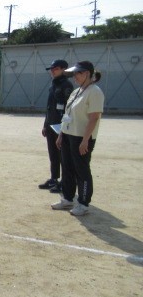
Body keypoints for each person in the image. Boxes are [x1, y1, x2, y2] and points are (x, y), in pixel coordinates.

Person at [51, 61, 104, 216]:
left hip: (81, 137)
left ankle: (83, 202)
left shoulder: (94, 92)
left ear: (87, 73)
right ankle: (67, 198)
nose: (74, 77)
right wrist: (61, 134)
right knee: (67, 168)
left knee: (81, 170)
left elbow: (94, 118)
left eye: (77, 73)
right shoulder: (77, 91)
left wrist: (85, 140)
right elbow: (68, 115)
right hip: (68, 135)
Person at [39, 60, 75, 193]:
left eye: (56, 68)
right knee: (53, 154)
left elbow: (68, 109)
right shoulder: (53, 85)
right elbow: (49, 108)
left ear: (64, 69)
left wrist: (64, 128)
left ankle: (64, 182)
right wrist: (45, 124)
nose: (53, 71)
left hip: (61, 126)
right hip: (51, 125)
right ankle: (54, 179)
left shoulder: (67, 85)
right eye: (52, 69)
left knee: (63, 156)